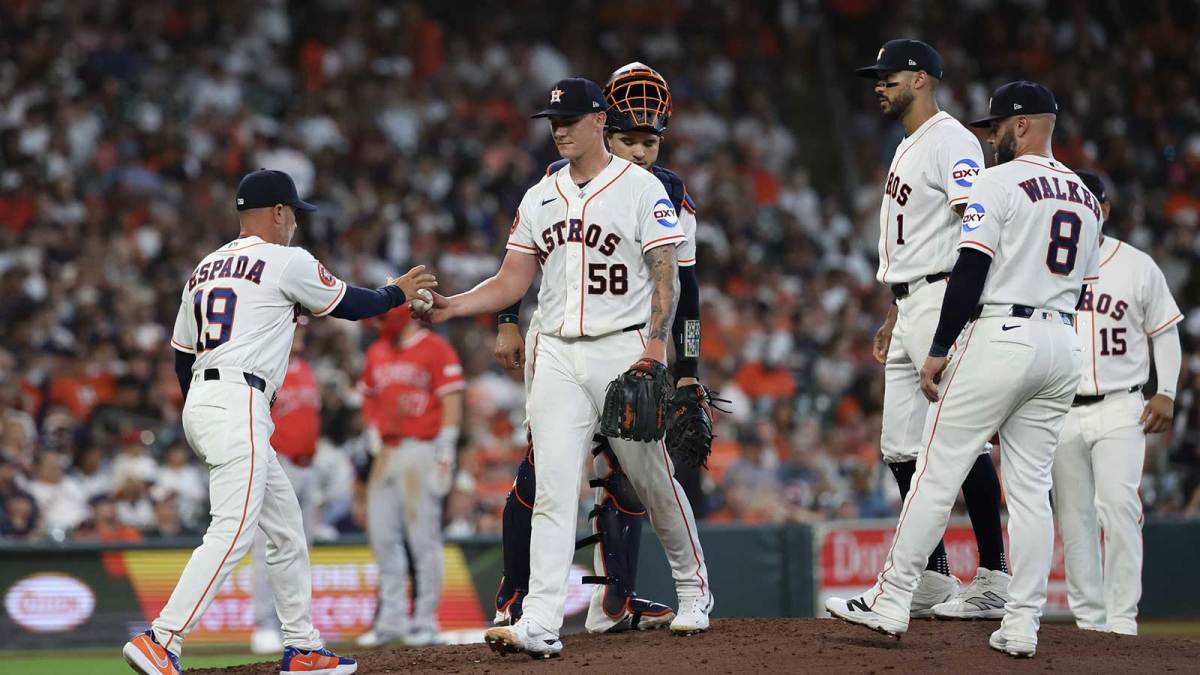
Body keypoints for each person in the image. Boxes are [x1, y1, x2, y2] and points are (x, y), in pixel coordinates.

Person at [420, 77, 711, 659]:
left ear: (599, 121)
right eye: (553, 120)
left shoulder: (642, 188)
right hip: (554, 349)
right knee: (555, 487)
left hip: (620, 350)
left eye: (570, 119)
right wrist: (455, 305)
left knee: (651, 479)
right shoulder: (539, 195)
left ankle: (692, 587)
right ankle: (541, 620)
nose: (558, 129)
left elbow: (667, 273)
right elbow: (511, 280)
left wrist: (658, 350)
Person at [122, 168, 437, 675]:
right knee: (232, 530)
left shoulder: (204, 267)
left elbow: (182, 356)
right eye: (293, 213)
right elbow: (354, 306)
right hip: (238, 401)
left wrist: (204, 408)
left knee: (287, 530)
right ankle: (162, 638)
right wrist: (396, 291)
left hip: (207, 399)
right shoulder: (284, 259)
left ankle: (303, 646)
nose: (295, 223)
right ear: (278, 213)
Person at [825, 81, 1101, 659]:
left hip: (1002, 333)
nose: (990, 136)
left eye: (997, 125)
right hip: (1062, 341)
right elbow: (1085, 283)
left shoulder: (996, 181)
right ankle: (1022, 624)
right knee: (1030, 492)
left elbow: (972, 265)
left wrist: (940, 346)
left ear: (1022, 125)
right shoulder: (1082, 192)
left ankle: (894, 596)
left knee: (935, 466)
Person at [491, 62, 699, 635]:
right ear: (606, 132)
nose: (639, 151)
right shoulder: (556, 180)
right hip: (559, 338)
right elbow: (524, 265)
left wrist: (686, 365)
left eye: (648, 141)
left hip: (630, 340)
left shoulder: (667, 190)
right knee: (545, 472)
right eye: (628, 139)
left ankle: (615, 599)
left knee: (637, 476)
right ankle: (518, 599)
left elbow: (685, 287)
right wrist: (507, 318)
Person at [854, 39, 1011, 619]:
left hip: (944, 297)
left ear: (921, 79)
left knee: (960, 438)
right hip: (910, 300)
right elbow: (915, 240)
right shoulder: (909, 145)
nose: (879, 84)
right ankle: (935, 578)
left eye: (889, 75)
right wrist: (895, 312)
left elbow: (975, 227)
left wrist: (958, 312)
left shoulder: (952, 141)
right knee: (899, 445)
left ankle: (994, 574)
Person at [1051, 171, 1182, 636]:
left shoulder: (1136, 265)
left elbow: (1165, 332)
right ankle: (1090, 621)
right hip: (1061, 409)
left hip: (1122, 404)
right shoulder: (1047, 263)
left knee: (1120, 506)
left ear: (1104, 210)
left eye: (1091, 203)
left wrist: (1166, 389)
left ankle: (1122, 621)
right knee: (1074, 516)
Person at [355, 307, 464, 648]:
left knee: (423, 539)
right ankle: (391, 621)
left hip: (422, 447)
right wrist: (372, 428)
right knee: (383, 537)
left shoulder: (435, 348)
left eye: (383, 319)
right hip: (386, 450)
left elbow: (452, 400)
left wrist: (446, 448)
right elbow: (369, 397)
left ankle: (425, 621)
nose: (378, 326)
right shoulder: (377, 351)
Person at [251, 320, 324, 655]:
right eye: (296, 327)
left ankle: (298, 629)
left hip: (308, 467)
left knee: (299, 551)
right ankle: (264, 624)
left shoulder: (306, 368)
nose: (301, 333)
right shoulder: (266, 364)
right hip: (277, 465)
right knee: (268, 547)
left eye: (303, 328)